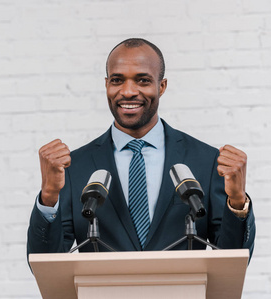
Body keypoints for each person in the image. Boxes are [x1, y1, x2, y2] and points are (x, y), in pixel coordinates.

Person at [27, 38, 255, 258]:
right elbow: (46, 265)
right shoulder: (74, 168)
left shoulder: (205, 161)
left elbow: (232, 260)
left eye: (143, 80)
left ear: (162, 86)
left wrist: (237, 202)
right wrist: (48, 196)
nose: (127, 91)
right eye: (117, 80)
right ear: (106, 84)